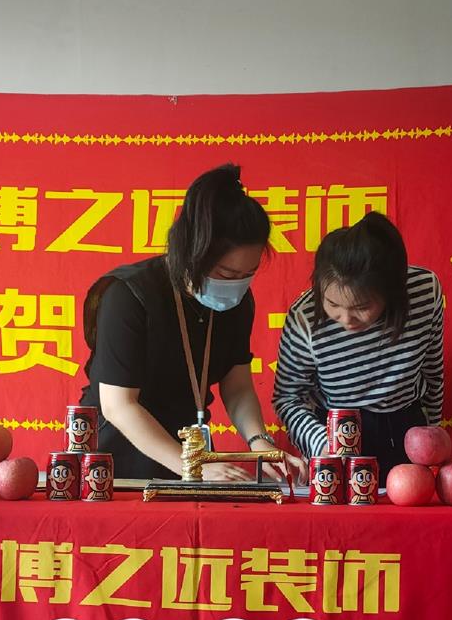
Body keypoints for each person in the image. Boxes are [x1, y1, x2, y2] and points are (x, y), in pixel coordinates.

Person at [80, 164, 306, 483]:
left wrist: (260, 443)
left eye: (248, 274)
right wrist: (193, 467)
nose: (236, 285)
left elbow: (238, 386)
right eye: (227, 273)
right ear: (192, 253)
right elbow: (119, 406)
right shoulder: (129, 295)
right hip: (115, 461)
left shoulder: (238, 301)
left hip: (189, 454)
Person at [272, 211, 444, 471]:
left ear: (391, 292)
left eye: (362, 307)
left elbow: (433, 371)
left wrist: (432, 436)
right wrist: (322, 444)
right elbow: (287, 397)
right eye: (332, 304)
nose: (346, 319)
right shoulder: (304, 316)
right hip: (336, 432)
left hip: (407, 427)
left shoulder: (424, 292)